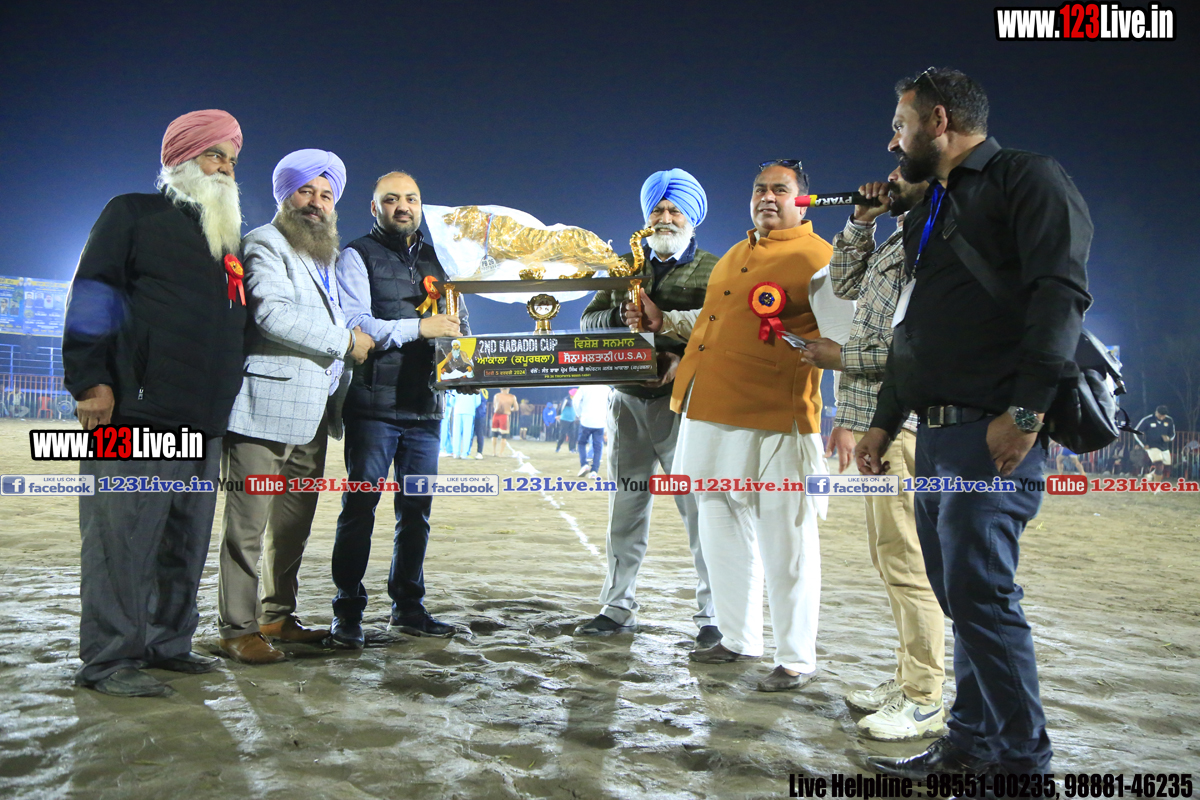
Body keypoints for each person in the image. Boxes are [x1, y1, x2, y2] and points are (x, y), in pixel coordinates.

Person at [857, 68, 1092, 778]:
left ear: (938, 121)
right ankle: (968, 747)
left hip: (991, 431)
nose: (891, 142)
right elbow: (914, 329)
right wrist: (885, 420)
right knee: (960, 597)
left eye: (899, 126)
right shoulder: (933, 205)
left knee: (983, 598)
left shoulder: (1028, 177)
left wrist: (1026, 412)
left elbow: (1059, 295)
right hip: (935, 435)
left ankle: (1021, 770)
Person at [63, 109, 247, 696]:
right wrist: (90, 381)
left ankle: (168, 645)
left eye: (232, 159)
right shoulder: (133, 213)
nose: (225, 168)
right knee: (121, 542)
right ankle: (109, 661)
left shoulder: (226, 243)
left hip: (204, 419)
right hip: (135, 412)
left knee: (183, 542)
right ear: (181, 158)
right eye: (215, 155)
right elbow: (92, 294)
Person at [656, 159, 831, 693]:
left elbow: (839, 337)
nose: (767, 197)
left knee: (787, 540)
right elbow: (714, 323)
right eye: (760, 189)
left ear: (801, 200)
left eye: (780, 189)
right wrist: (665, 323)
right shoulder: (735, 253)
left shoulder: (819, 256)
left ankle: (796, 657)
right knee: (718, 526)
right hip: (708, 410)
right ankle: (737, 637)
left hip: (777, 416)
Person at [800, 168, 947, 741]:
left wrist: (841, 357)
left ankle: (924, 696)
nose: (886, 177)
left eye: (899, 171)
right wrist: (861, 221)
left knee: (908, 564)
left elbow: (917, 348)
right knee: (890, 560)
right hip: (876, 425)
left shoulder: (934, 242)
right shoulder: (900, 234)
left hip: (902, 426)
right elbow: (844, 284)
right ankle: (908, 677)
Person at [217, 149, 373, 664]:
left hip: (313, 416)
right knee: (247, 528)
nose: (316, 203)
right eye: (306, 191)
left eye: (326, 195)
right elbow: (272, 316)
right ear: (286, 195)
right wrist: (345, 341)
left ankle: (276, 616)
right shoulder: (264, 243)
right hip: (263, 410)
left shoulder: (322, 257)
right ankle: (237, 629)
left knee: (291, 529)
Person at [574, 168, 721, 647]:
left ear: (692, 217)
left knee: (699, 512)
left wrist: (681, 360)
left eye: (674, 209)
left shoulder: (716, 269)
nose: (664, 217)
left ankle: (713, 615)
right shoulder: (622, 267)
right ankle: (617, 607)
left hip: (686, 407)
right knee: (626, 508)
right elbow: (588, 321)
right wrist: (619, 314)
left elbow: (723, 331)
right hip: (628, 403)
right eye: (657, 209)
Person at [331, 171, 467, 647]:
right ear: (375, 208)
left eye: (411, 198)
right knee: (360, 506)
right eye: (391, 199)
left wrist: (464, 368)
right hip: (373, 406)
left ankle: (408, 607)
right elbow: (356, 323)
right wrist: (420, 328)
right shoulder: (356, 255)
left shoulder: (440, 258)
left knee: (416, 511)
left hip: (425, 407)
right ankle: (347, 611)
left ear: (421, 205)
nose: (403, 206)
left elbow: (456, 321)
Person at [573, 383, 611, 478]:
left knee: (581, 443)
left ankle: (584, 464)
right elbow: (611, 405)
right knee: (597, 447)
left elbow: (575, 401)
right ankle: (594, 471)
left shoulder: (584, 387)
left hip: (586, 420)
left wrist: (579, 414)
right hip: (600, 421)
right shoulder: (607, 389)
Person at [1135, 405, 1175, 481]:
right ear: (1156, 412)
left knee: (1167, 467)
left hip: (1164, 446)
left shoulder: (1169, 420)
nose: (1162, 418)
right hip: (1151, 446)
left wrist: (1169, 438)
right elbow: (1136, 432)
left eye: (1163, 416)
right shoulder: (1147, 420)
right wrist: (1144, 444)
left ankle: (1150, 475)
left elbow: (1172, 433)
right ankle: (1156, 486)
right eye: (1160, 416)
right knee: (1159, 464)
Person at [450, 388, 481, 458]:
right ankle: (464, 454)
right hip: (469, 411)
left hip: (458, 411)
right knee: (467, 433)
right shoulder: (475, 388)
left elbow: (451, 401)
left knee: (456, 432)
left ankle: (456, 453)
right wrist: (471, 406)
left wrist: (457, 405)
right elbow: (478, 402)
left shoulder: (456, 388)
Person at [491, 387, 517, 456]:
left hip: (496, 415)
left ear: (501, 389)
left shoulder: (497, 396)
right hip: (504, 416)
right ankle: (501, 453)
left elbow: (495, 407)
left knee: (494, 435)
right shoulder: (512, 397)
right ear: (508, 389)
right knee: (503, 436)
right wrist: (509, 409)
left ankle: (494, 452)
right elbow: (516, 408)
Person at [471, 387, 489, 458]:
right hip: (471, 414)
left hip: (480, 415)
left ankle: (479, 452)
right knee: (470, 434)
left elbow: (482, 400)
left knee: (480, 434)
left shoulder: (484, 391)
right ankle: (467, 451)